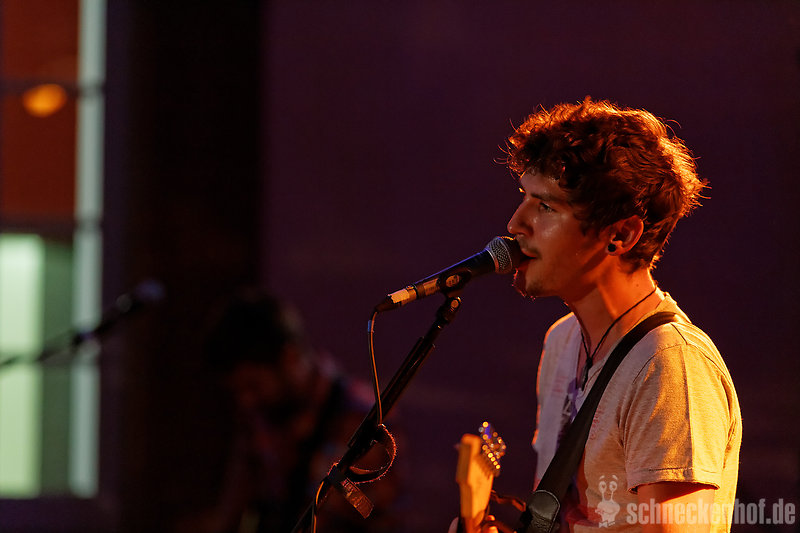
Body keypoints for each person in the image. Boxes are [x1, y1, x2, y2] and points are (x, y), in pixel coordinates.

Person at [455, 98, 741, 532]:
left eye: (546, 207)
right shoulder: (563, 341)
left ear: (621, 234)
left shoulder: (669, 367)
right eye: (524, 197)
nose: (515, 224)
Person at [176, 289, 400, 533]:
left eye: (253, 386)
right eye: (237, 391)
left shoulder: (363, 414)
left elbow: (370, 510)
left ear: (289, 357)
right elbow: (234, 509)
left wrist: (333, 480)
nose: (245, 401)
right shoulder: (260, 414)